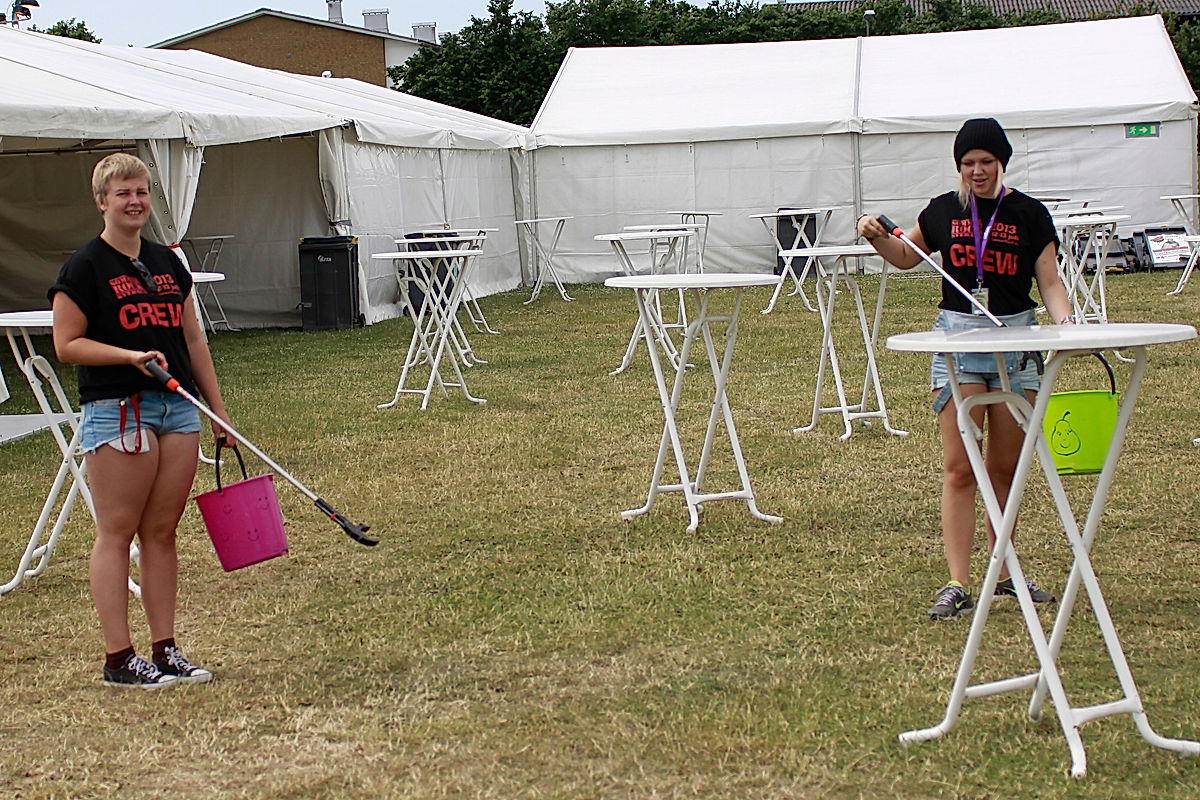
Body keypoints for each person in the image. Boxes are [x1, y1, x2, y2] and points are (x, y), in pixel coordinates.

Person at [857, 118, 1074, 620]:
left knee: (1005, 469)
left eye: (986, 162)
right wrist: (875, 237)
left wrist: (1067, 327)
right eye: (968, 163)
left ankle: (1004, 573)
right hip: (957, 343)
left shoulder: (1029, 215)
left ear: (1002, 162)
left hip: (1016, 343)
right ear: (958, 166)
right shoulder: (942, 210)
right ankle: (956, 582)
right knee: (960, 469)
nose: (977, 171)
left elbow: (1050, 282)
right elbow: (905, 257)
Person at [50, 153, 233, 686]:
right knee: (117, 531)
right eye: (122, 193)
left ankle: (165, 647)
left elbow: (192, 339)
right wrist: (127, 357)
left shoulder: (168, 262)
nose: (134, 201)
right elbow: (66, 344)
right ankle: (118, 657)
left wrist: (216, 411)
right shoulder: (84, 268)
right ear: (102, 201)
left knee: (162, 531)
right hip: (118, 408)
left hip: (178, 407)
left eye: (142, 192)